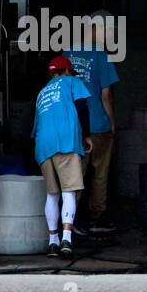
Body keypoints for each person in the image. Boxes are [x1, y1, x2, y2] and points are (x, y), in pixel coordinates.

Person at [66, 9, 120, 233]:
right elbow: (106, 95)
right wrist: (112, 121)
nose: (109, 35)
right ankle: (97, 218)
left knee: (75, 174)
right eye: (109, 30)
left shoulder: (67, 53)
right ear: (98, 28)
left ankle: (71, 220)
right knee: (100, 174)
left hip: (74, 126)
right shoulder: (101, 56)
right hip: (98, 125)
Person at [32, 55, 91, 258]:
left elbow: (36, 127)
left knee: (52, 194)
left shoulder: (42, 92)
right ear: (67, 72)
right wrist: (87, 135)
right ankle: (66, 238)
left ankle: (52, 241)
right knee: (69, 192)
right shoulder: (73, 81)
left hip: (43, 145)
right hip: (66, 141)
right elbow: (83, 108)